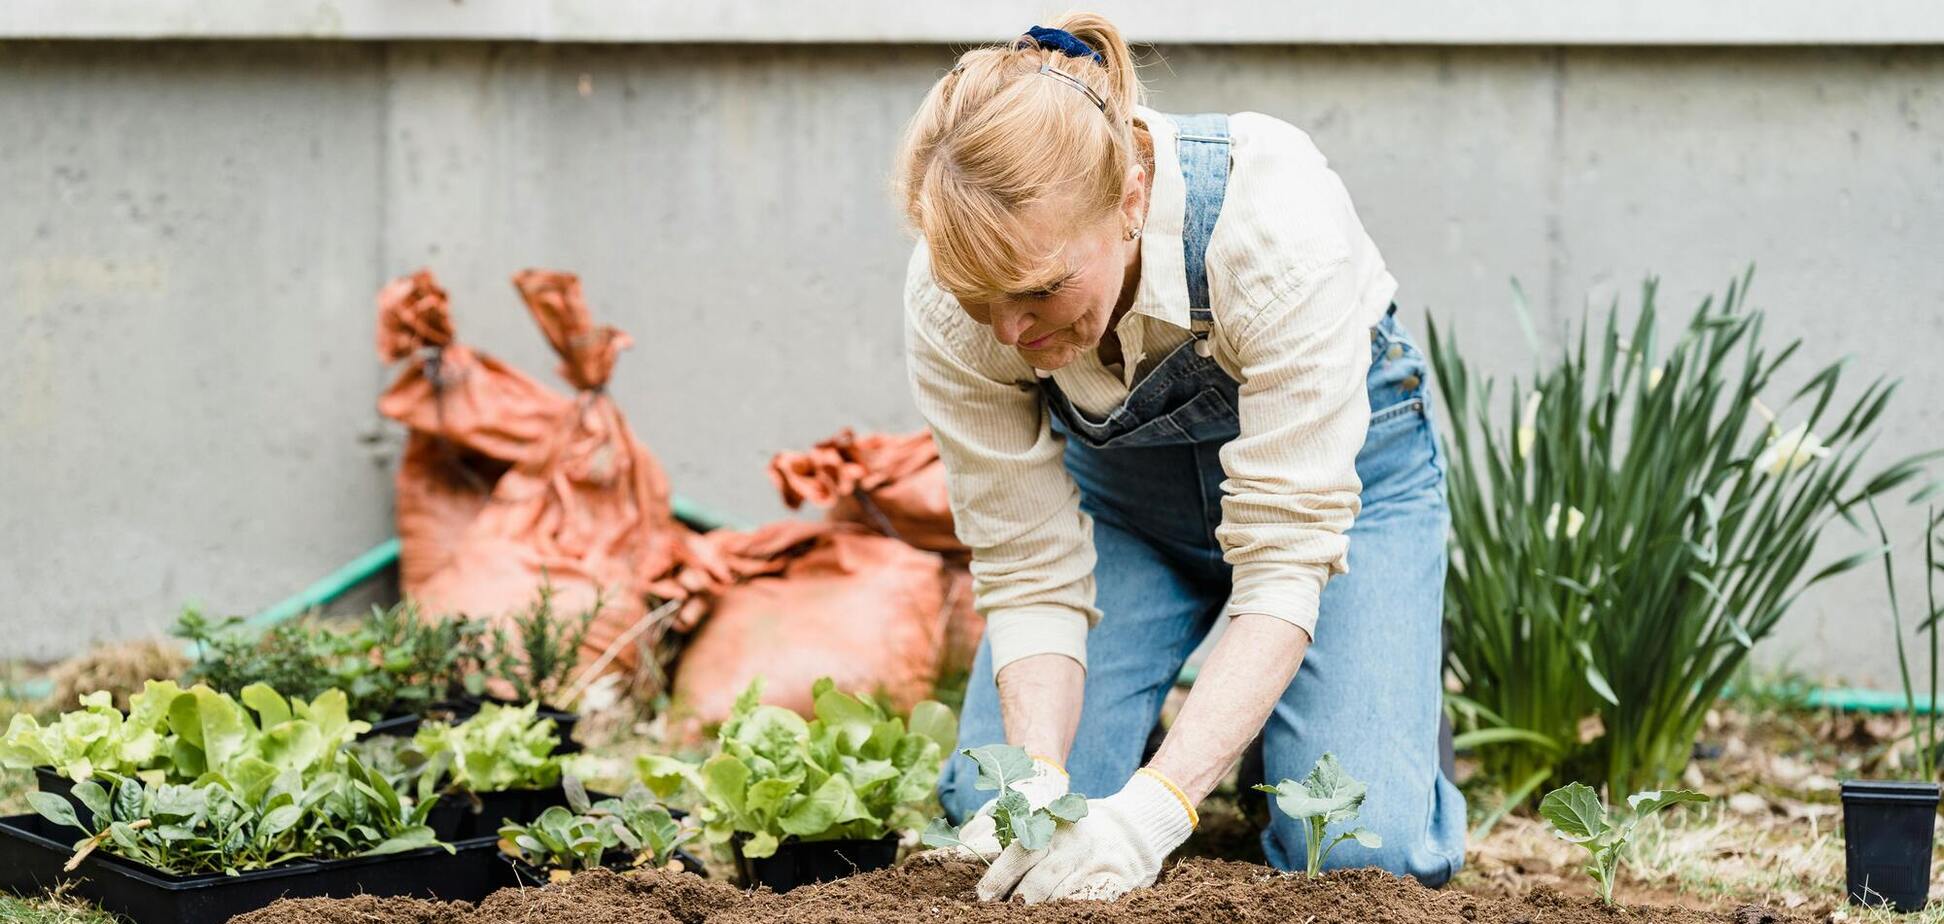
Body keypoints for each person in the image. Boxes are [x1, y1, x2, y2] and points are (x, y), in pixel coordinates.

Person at [893, 11, 1466, 904]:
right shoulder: (951, 297)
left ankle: (1339, 711)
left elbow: (1282, 562)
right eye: (982, 299)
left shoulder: (1271, 225)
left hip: (1345, 508)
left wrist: (1154, 813)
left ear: (1128, 197)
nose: (1011, 333)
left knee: (1359, 848)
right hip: (1130, 516)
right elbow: (1027, 570)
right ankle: (1244, 717)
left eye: (1041, 290)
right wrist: (1042, 787)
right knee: (995, 808)